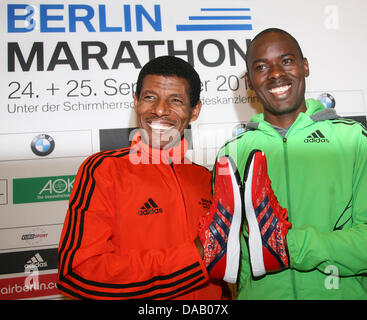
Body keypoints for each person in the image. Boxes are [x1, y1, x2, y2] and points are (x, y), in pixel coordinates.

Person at [199, 28, 367, 299]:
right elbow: (233, 260)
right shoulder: (232, 153)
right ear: (250, 83)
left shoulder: (354, 140)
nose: (276, 73)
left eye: (287, 61)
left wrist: (287, 246)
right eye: (262, 66)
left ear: (305, 66)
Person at [57, 55, 223, 300]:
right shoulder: (103, 169)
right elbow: (76, 274)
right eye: (149, 97)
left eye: (175, 100)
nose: (159, 110)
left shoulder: (206, 178)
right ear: (136, 102)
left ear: (195, 110)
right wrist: (194, 256)